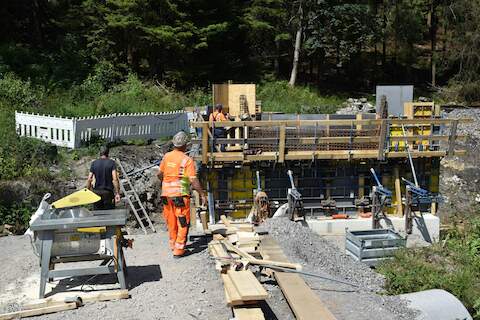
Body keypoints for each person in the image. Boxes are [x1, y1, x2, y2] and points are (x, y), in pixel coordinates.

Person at [157, 131, 207, 258]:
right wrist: (202, 194)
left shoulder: (166, 156)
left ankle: (174, 245)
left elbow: (159, 174)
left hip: (166, 195)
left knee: (171, 221)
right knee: (182, 222)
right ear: (185, 145)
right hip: (180, 195)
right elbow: (193, 180)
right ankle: (179, 250)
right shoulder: (187, 160)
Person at [87, 146, 121, 210]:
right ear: (108, 153)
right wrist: (117, 193)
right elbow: (115, 179)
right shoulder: (112, 163)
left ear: (100, 153)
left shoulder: (94, 163)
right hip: (107, 193)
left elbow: (89, 179)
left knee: (97, 215)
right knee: (108, 215)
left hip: (96, 193)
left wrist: (88, 190)